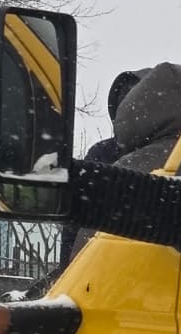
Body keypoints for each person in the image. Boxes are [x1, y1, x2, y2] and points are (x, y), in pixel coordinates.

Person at [57, 68, 147, 264]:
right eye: (122, 105)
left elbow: (75, 223)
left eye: (131, 104)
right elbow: (75, 222)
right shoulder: (104, 153)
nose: (127, 112)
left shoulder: (104, 155)